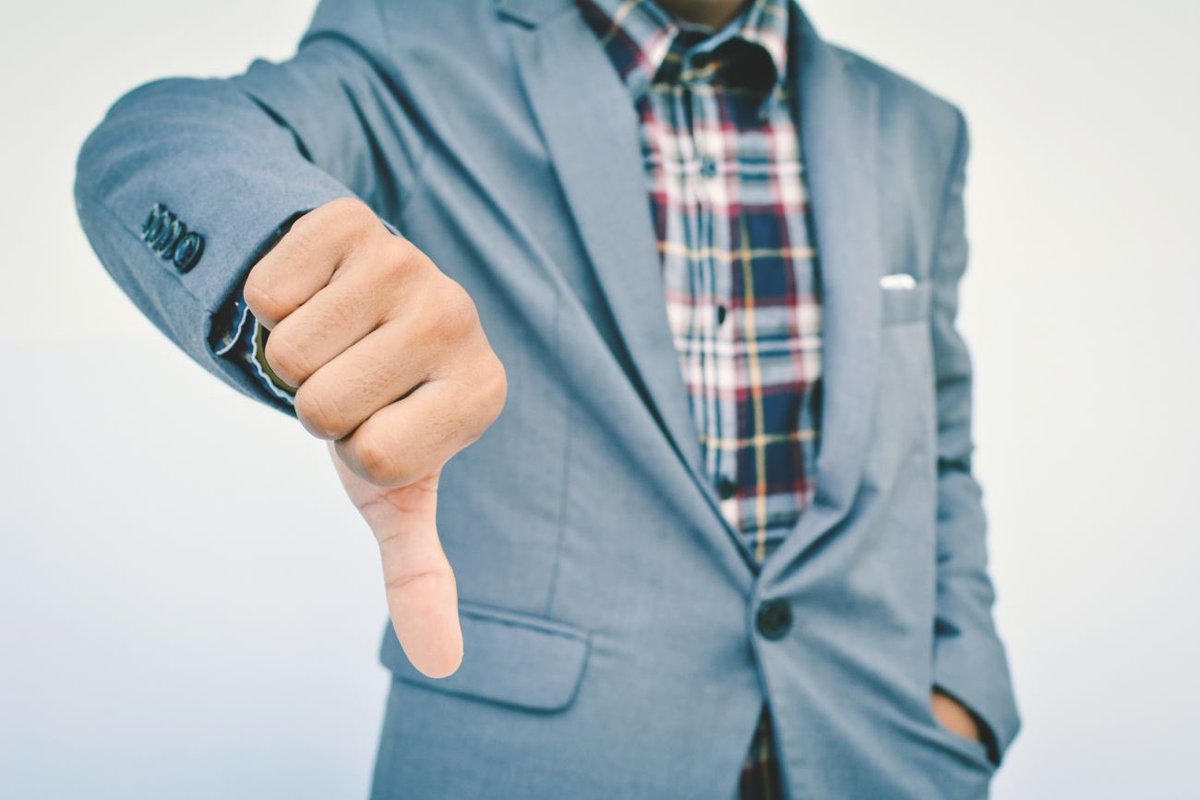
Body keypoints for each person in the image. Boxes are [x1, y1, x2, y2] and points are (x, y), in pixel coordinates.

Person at [73, 0, 1022, 796]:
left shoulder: (918, 129)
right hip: (545, 758)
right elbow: (162, 136)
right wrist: (298, 261)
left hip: (878, 753)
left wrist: (966, 688)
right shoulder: (418, 42)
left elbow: (937, 447)